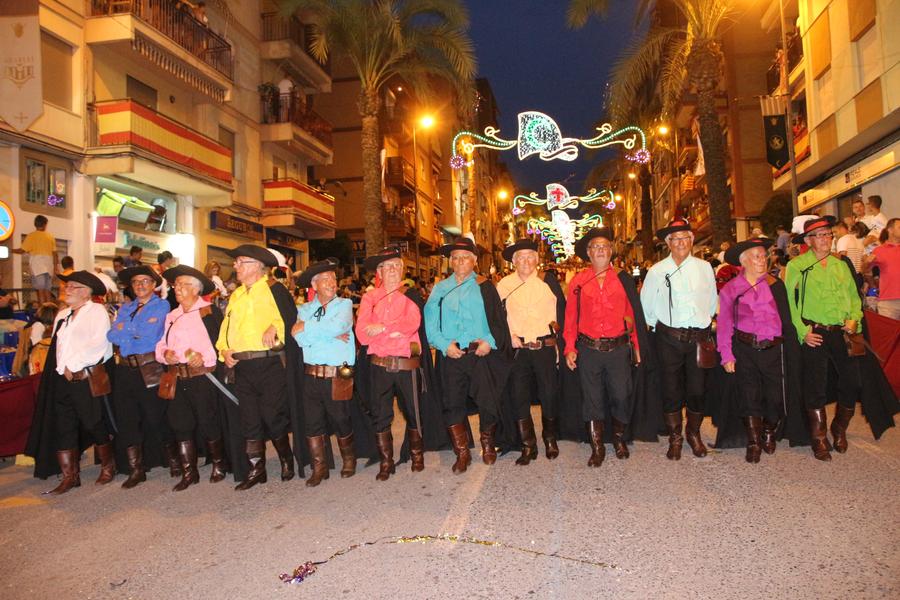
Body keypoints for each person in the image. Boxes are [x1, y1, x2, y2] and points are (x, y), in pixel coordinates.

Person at [424, 236, 511, 474]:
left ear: (474, 261)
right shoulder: (440, 289)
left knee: (488, 401)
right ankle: (462, 452)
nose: (460, 261)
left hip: (479, 354)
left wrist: (489, 342)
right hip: (451, 355)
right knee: (452, 403)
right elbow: (430, 325)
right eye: (456, 258)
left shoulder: (485, 286)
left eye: (465, 258)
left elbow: (498, 321)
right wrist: (443, 345)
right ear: (450, 262)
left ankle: (488, 444)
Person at [27, 271, 114, 494]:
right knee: (64, 426)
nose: (67, 289)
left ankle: (108, 465)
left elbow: (100, 345)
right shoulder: (63, 315)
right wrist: (59, 369)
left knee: (94, 422)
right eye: (67, 286)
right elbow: (59, 347)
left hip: (84, 378)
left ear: (87, 292)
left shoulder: (97, 312)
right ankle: (70, 476)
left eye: (74, 286)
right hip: (62, 381)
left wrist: (73, 365)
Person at [216, 244, 293, 490]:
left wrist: (275, 327)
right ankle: (256, 469)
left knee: (273, 416)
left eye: (241, 262)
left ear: (257, 266)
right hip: (243, 366)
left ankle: (286, 459)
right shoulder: (236, 295)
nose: (235, 266)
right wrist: (224, 351)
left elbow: (289, 319)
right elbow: (226, 330)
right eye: (236, 262)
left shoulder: (274, 290)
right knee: (249, 419)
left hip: (269, 363)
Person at [784, 216, 862, 461]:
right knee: (815, 385)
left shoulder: (840, 264)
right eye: (820, 235)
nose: (826, 239)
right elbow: (789, 304)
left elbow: (853, 296)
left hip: (841, 332)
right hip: (814, 332)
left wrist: (854, 318)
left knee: (851, 382)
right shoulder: (798, 265)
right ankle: (818, 438)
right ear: (808, 240)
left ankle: (839, 428)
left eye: (829, 234)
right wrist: (802, 331)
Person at [564, 228, 643, 466]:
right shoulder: (578, 281)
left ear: (611, 251)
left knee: (622, 394)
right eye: (595, 246)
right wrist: (570, 347)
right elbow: (570, 319)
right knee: (592, 399)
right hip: (589, 349)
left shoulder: (623, 278)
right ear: (588, 253)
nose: (600, 249)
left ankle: (618, 439)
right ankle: (597, 447)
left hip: (618, 349)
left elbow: (633, 316)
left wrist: (637, 347)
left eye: (605, 246)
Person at [640, 219, 718, 460]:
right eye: (675, 239)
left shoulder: (705, 267)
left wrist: (706, 322)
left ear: (692, 240)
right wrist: (658, 329)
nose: (681, 242)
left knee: (697, 389)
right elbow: (646, 307)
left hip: (698, 338)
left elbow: (712, 300)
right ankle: (675, 437)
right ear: (668, 243)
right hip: (668, 339)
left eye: (685, 237)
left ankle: (693, 433)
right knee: (670, 389)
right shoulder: (656, 271)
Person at [717, 239, 794, 462]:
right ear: (744, 262)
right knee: (749, 396)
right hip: (745, 349)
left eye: (764, 256)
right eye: (757, 256)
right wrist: (727, 355)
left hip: (773, 349)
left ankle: (769, 430)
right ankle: (754, 442)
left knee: (776, 398)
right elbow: (724, 324)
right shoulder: (731, 289)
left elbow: (787, 319)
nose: (762, 260)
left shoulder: (775, 285)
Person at [354, 248, 427, 479]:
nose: (394, 270)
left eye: (397, 265)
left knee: (413, 412)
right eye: (389, 266)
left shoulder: (411, 295)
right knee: (381, 413)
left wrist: (384, 327)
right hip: (380, 365)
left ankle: (417, 455)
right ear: (380, 272)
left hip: (406, 364)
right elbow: (363, 334)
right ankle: (386, 462)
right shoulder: (369, 298)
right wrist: (394, 331)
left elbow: (412, 323)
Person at [156, 265, 227, 491]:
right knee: (180, 423)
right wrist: (164, 354)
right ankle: (190, 472)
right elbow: (161, 343)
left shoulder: (209, 312)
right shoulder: (172, 315)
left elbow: (220, 344)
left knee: (208, 420)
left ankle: (218, 463)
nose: (178, 288)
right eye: (176, 285)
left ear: (196, 290)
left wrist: (204, 357)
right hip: (177, 375)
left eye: (184, 284)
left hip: (201, 377)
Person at [107, 265, 176, 489]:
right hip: (125, 370)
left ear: (154, 285)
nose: (140, 285)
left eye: (145, 281)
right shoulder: (127, 307)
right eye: (136, 282)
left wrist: (126, 330)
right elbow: (112, 334)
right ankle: (136, 469)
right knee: (127, 419)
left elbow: (149, 336)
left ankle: (173, 458)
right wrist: (131, 331)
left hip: (149, 368)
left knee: (156, 416)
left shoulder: (162, 305)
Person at [496, 239, 562, 465]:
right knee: (519, 396)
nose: (525, 261)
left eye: (530, 256)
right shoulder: (503, 285)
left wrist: (559, 344)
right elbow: (498, 318)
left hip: (543, 347)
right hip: (518, 349)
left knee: (549, 394)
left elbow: (560, 313)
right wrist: (509, 335)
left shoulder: (547, 281)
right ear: (513, 261)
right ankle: (528, 445)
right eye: (520, 257)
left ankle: (550, 438)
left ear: (537, 259)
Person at [293, 259, 356, 486]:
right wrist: (326, 331)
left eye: (333, 278)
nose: (331, 282)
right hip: (310, 374)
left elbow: (339, 326)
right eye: (325, 279)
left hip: (337, 373)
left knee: (341, 417)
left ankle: (349, 459)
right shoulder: (304, 309)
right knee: (313, 422)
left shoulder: (345, 305)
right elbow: (296, 337)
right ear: (314, 284)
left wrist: (309, 328)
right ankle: (319, 468)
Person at [13, 215, 58, 304]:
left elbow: (22, 250)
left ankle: (43, 313)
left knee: (40, 291)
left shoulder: (31, 236)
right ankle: (49, 312)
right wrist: (56, 267)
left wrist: (10, 250)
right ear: (45, 224)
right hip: (49, 268)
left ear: (35, 224)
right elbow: (55, 254)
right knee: (47, 291)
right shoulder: (50, 237)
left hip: (37, 267)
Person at [865, 218, 900, 319]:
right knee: (889, 334)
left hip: (888, 301)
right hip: (888, 302)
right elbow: (865, 271)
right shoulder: (879, 250)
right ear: (890, 229)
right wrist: (867, 262)